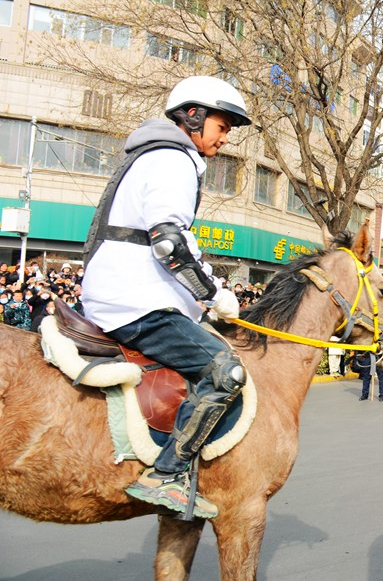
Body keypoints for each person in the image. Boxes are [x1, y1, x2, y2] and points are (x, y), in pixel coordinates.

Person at [82, 75, 249, 519]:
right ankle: (167, 474)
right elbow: (169, 243)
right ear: (193, 115)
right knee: (226, 370)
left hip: (129, 292)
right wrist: (213, 295)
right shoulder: (174, 158)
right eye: (222, 125)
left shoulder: (156, 155)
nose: (224, 137)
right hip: (136, 301)